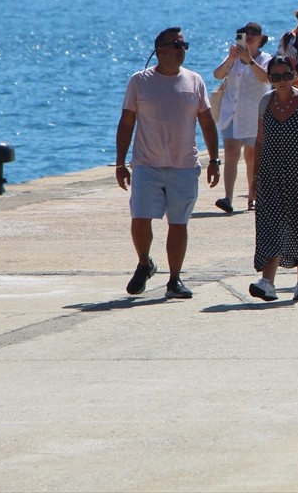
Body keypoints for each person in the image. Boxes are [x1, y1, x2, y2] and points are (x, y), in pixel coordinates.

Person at [116, 27, 219, 299]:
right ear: (159, 51)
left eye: (185, 45)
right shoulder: (139, 81)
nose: (181, 50)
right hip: (146, 164)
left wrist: (215, 159)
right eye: (176, 45)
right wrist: (119, 163)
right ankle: (145, 262)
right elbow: (127, 122)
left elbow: (206, 121)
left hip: (184, 165)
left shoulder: (195, 81)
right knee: (140, 218)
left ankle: (174, 279)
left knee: (178, 223)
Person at [247, 55, 298, 302]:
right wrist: (254, 177)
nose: (281, 81)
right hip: (272, 174)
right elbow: (260, 141)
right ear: (270, 78)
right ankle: (267, 282)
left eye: (286, 75)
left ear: (294, 75)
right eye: (275, 76)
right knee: (270, 225)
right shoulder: (266, 102)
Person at [212, 21, 271, 213]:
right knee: (230, 153)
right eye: (246, 33)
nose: (250, 36)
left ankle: (253, 197)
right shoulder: (234, 58)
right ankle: (228, 197)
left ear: (261, 39)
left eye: (254, 33)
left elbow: (266, 78)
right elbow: (218, 74)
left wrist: (250, 61)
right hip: (231, 113)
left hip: (253, 115)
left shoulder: (265, 59)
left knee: (252, 157)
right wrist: (231, 58)